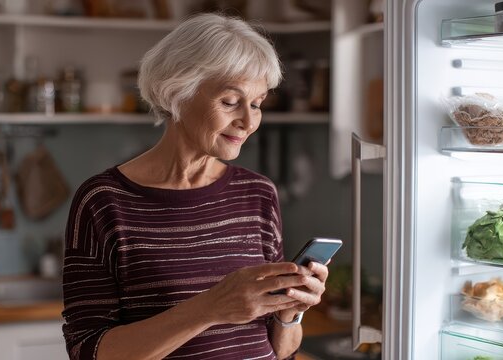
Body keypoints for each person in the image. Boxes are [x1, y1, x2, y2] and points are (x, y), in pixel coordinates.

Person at [61, 13, 328, 360]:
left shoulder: (258, 193)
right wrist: (210, 308)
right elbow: (88, 351)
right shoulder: (103, 201)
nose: (248, 121)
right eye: (231, 102)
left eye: (258, 104)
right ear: (178, 92)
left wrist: (290, 312)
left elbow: (281, 351)